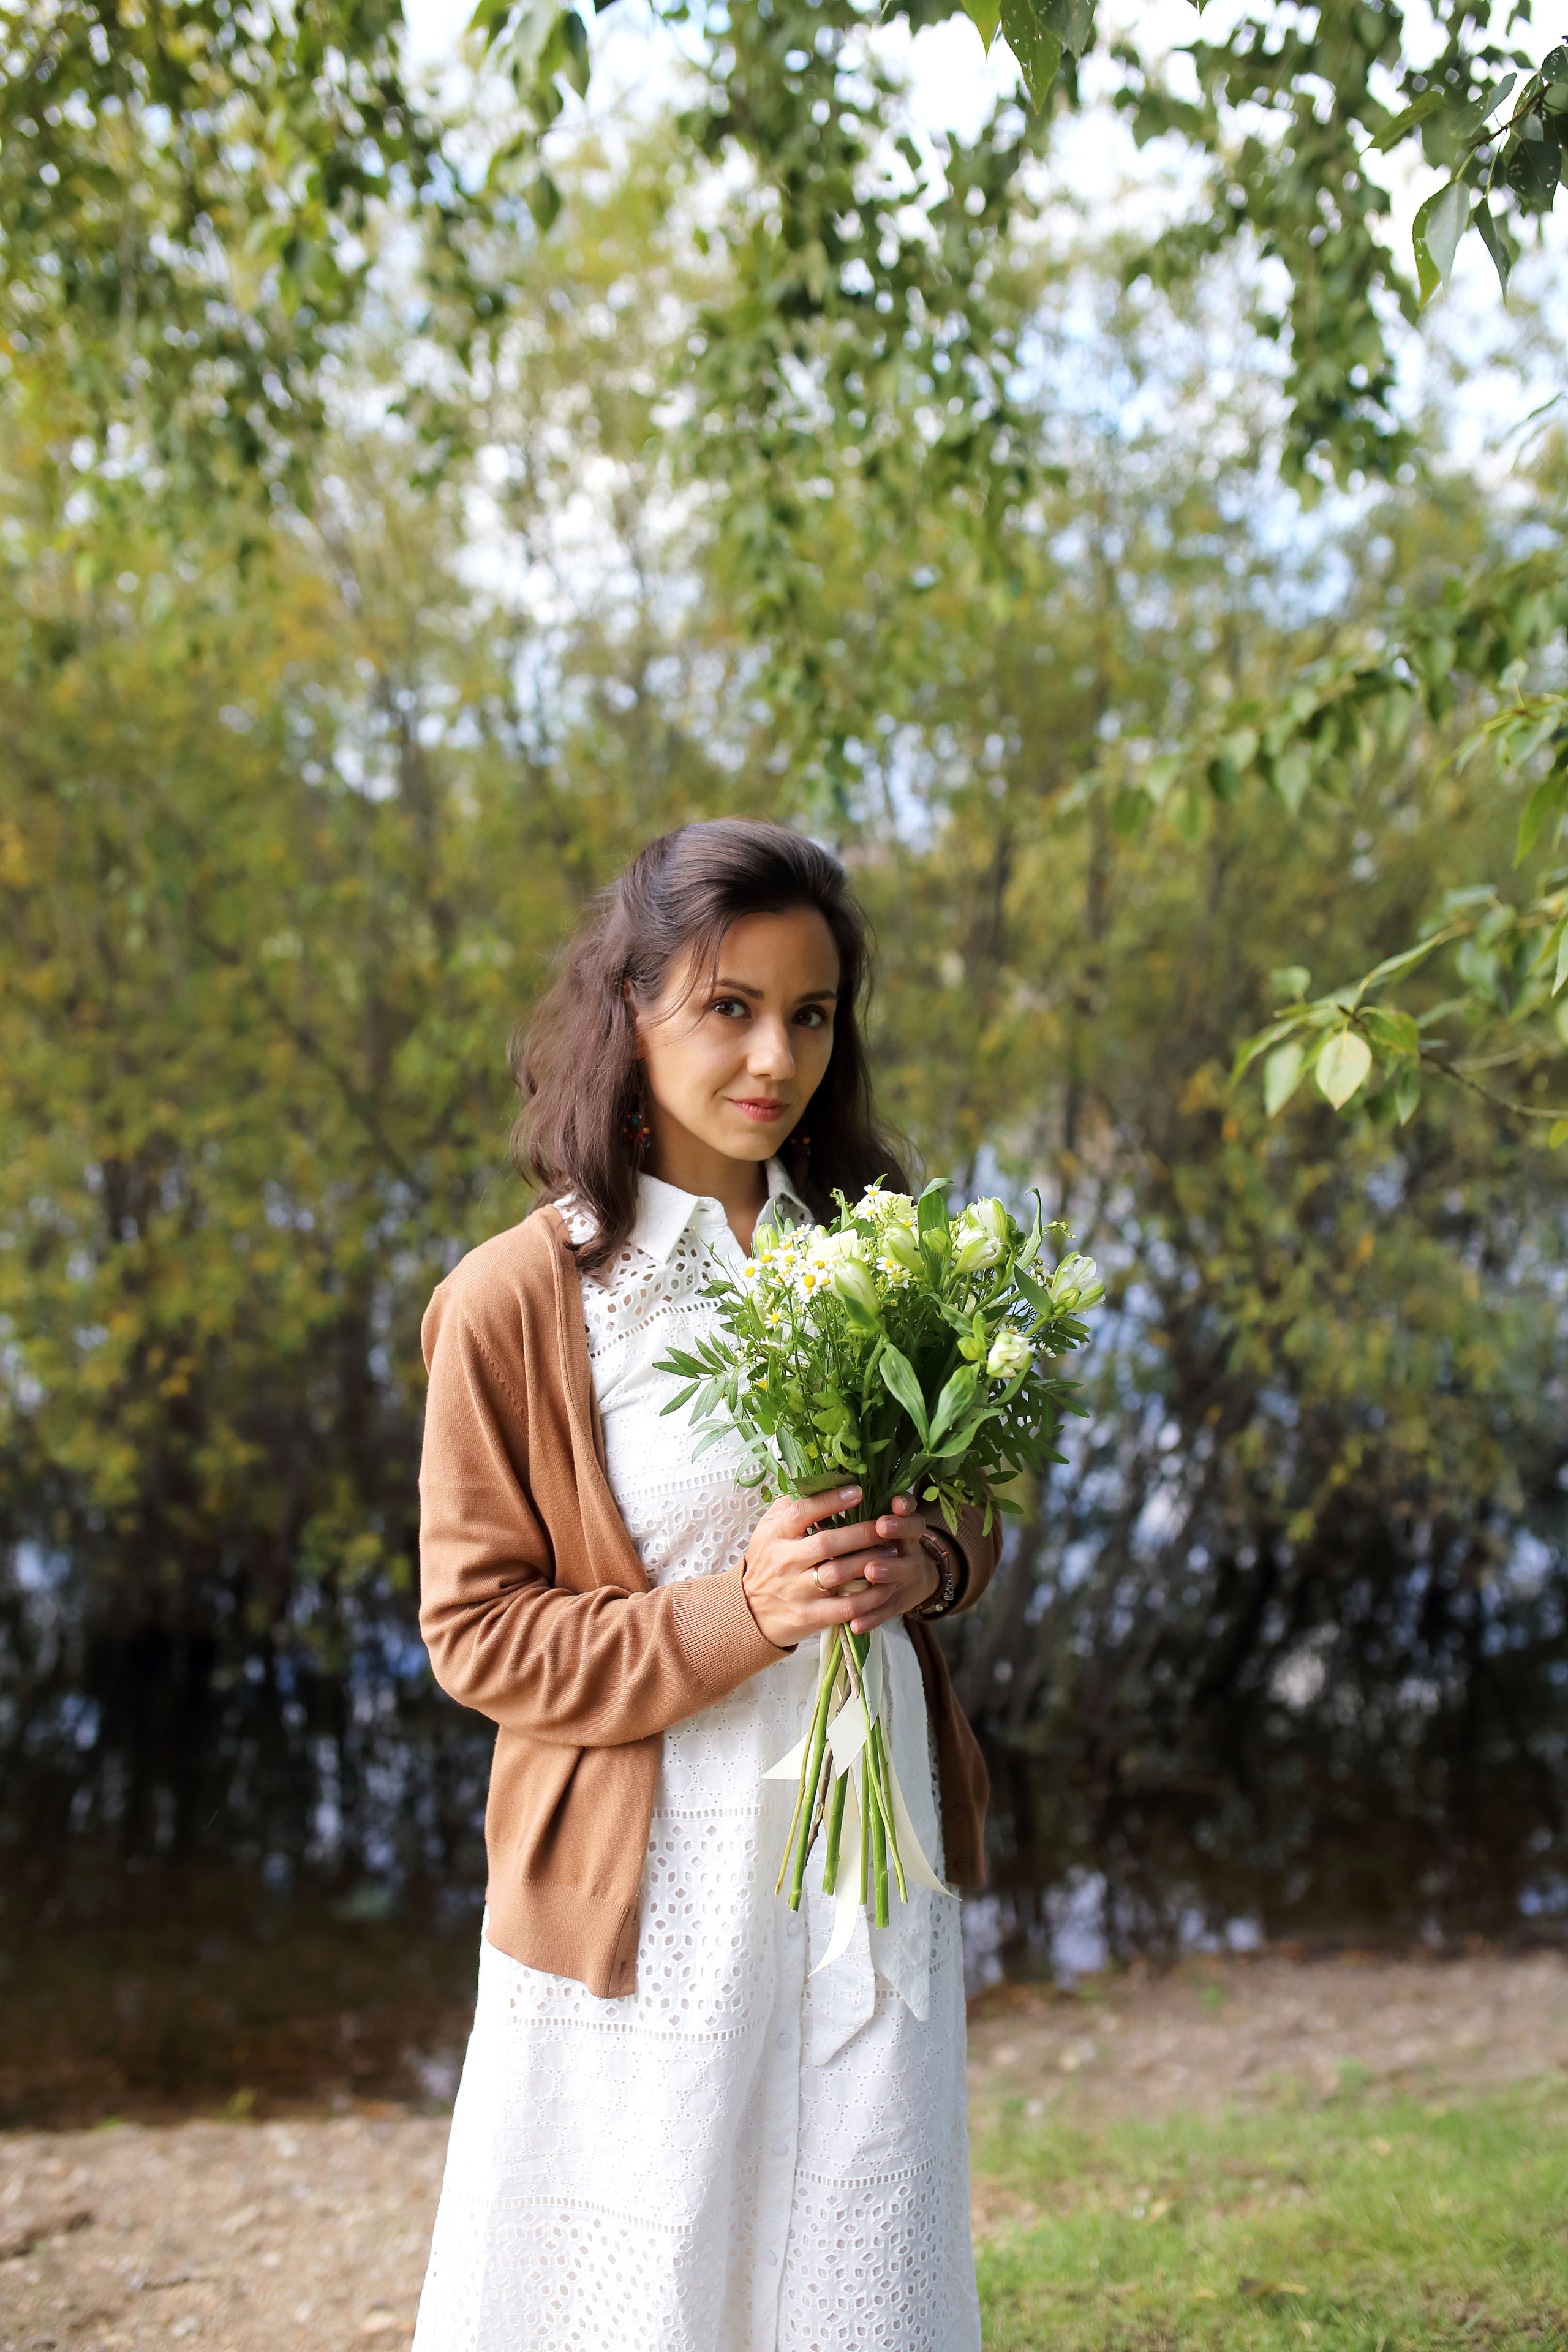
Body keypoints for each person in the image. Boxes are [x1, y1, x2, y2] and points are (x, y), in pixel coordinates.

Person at [411, 818, 1001, 2352]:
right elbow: (478, 1638)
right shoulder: (522, 1298)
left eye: (810, 1015)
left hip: (861, 1870)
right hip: (647, 1886)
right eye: (729, 1006)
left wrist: (922, 1559)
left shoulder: (884, 1257)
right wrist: (741, 1611)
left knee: (855, 2243)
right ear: (631, 1005)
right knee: (645, 2270)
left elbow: (963, 1515)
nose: (774, 1056)